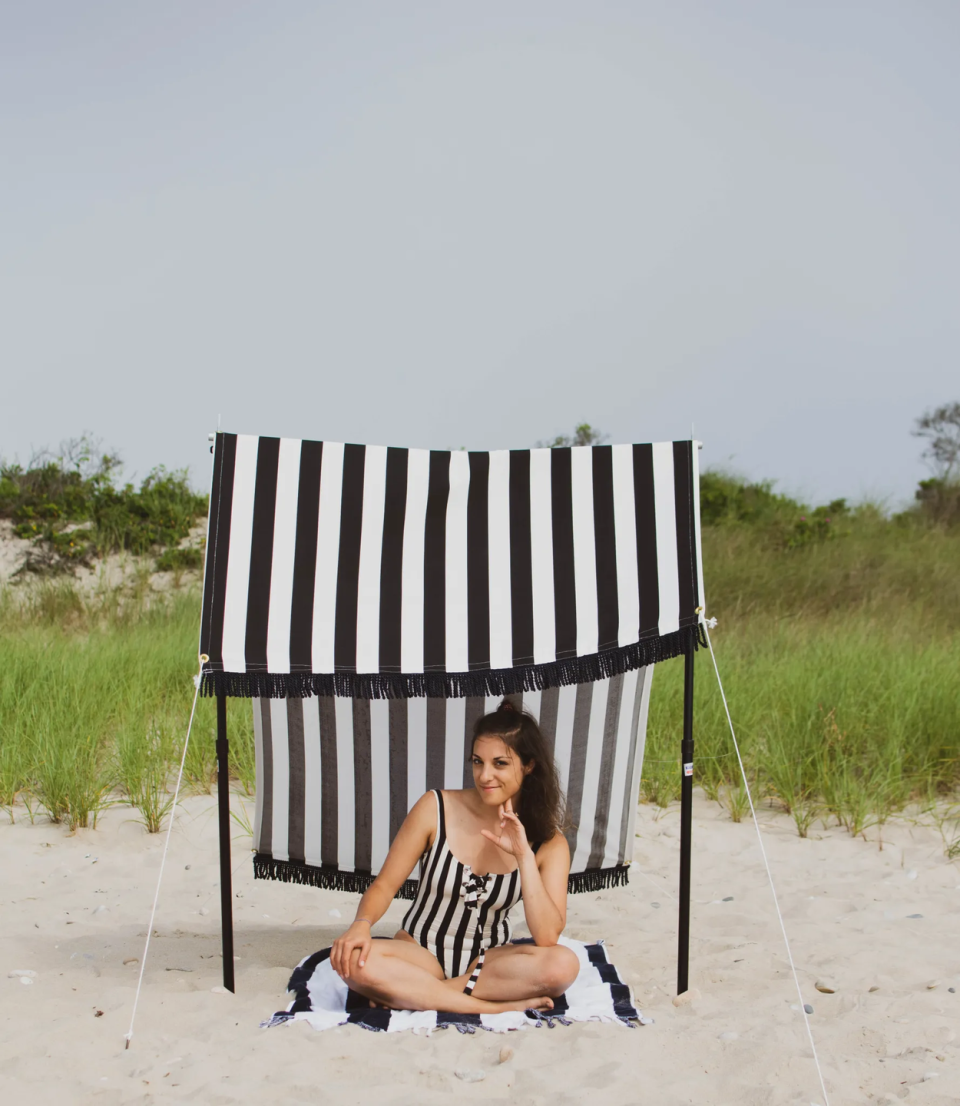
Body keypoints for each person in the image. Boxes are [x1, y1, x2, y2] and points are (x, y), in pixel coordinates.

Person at [329, 699, 581, 1014]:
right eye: (478, 762)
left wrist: (523, 857)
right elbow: (384, 886)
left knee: (564, 965)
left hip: (488, 964)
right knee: (351, 962)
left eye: (500, 763)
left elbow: (546, 936)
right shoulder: (435, 807)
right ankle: (491, 1008)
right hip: (418, 953)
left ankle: (416, 995)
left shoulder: (550, 843)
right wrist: (361, 924)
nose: (485, 775)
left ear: (529, 765)